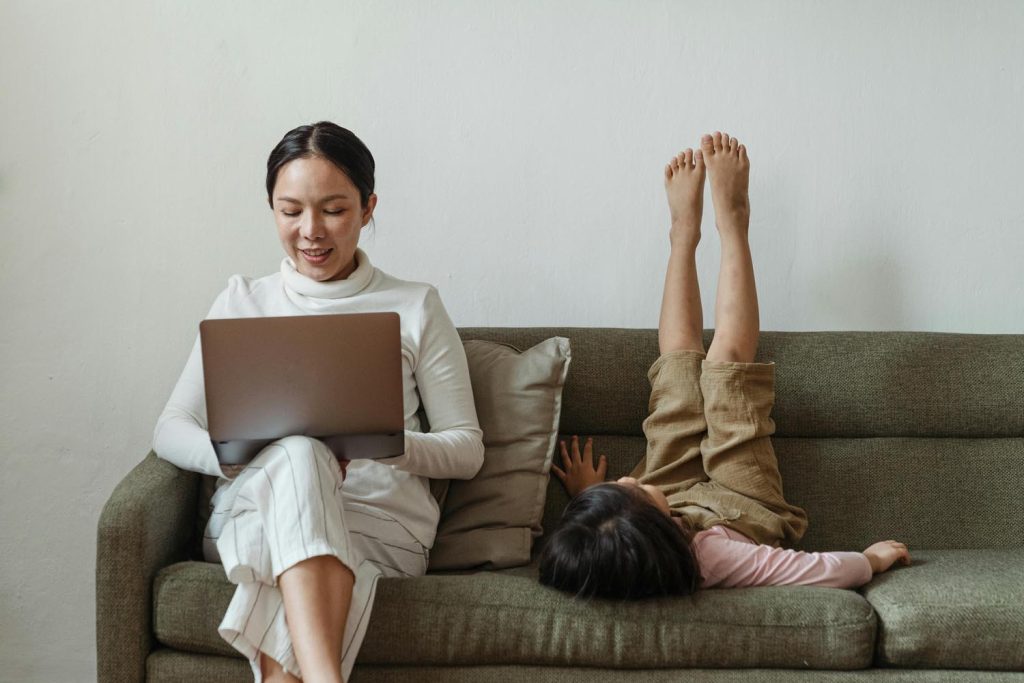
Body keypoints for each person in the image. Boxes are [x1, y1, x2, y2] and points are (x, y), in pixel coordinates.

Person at [152, 122, 484, 682]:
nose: (310, 231)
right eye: (290, 211)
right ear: (271, 209)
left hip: (379, 525)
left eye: (333, 209)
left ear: (368, 207)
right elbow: (171, 427)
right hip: (255, 512)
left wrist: (381, 444)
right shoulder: (242, 300)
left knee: (303, 464)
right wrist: (235, 458)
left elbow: (466, 449)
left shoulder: (415, 306)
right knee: (301, 453)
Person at [540, 132, 911, 599]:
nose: (627, 476)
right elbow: (816, 570)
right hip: (740, 505)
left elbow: (602, 549)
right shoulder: (716, 558)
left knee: (677, 369)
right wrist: (870, 561)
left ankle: (682, 235)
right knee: (725, 368)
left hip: (668, 498)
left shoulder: (628, 538)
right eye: (627, 489)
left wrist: (587, 500)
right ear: (650, 528)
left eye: (620, 484)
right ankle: (733, 221)